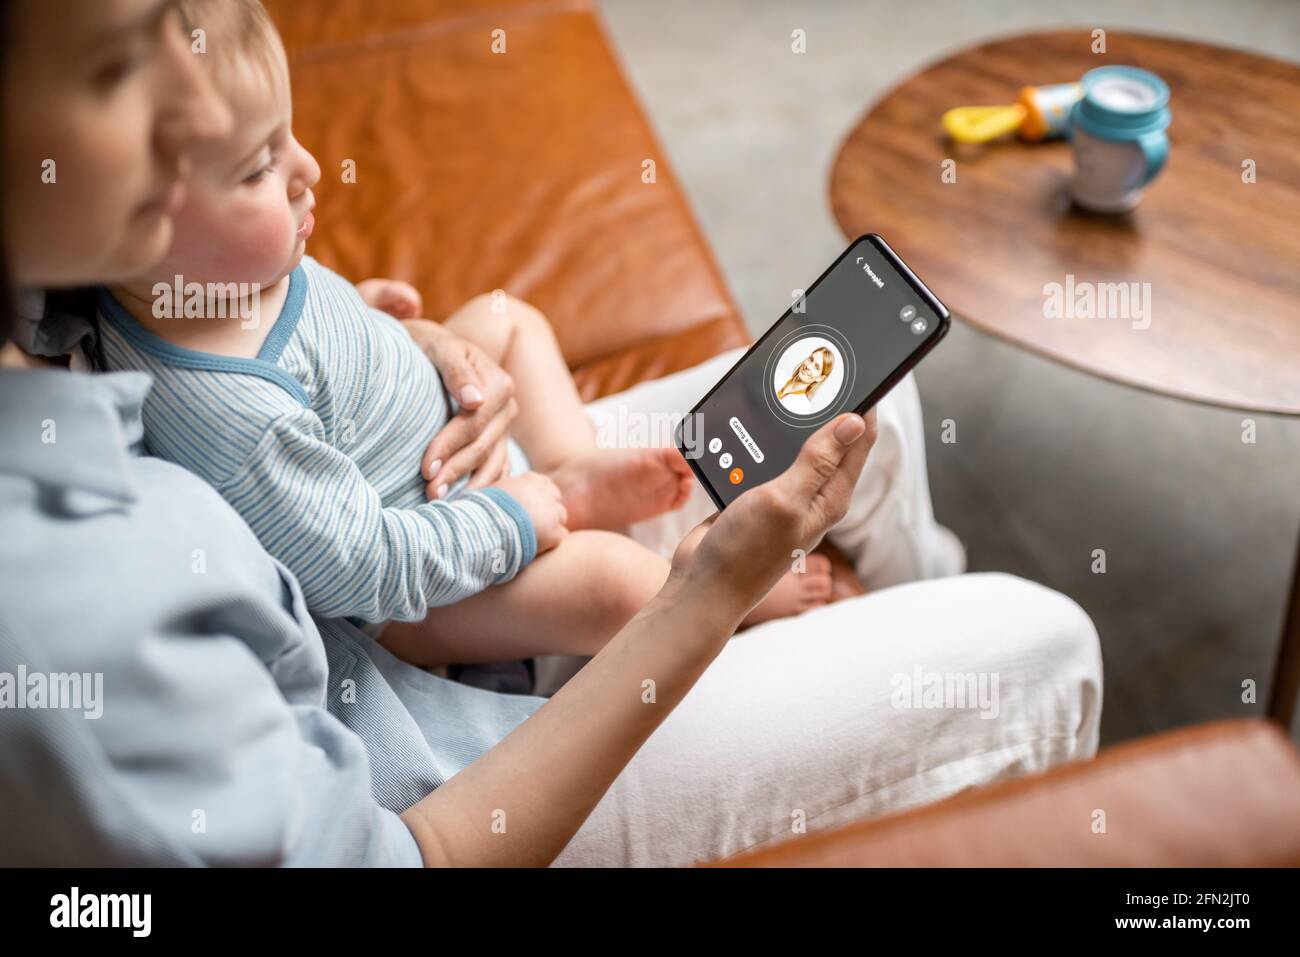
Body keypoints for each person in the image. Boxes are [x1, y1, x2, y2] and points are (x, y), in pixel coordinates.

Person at [0, 0, 1102, 867]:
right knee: (1044, 642)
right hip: (436, 722)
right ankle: (862, 663)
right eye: (113, 68)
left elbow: (286, 332)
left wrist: (422, 339)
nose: (185, 113)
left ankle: (897, 616)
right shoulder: (63, 613)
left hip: (434, 481)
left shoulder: (91, 282)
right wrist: (693, 586)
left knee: (874, 411)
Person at [91, 0, 832, 678]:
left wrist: (367, 316)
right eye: (260, 166)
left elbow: (309, 337)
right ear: (145, 225)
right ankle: (728, 596)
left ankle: (569, 469)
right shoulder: (230, 413)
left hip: (428, 437)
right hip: (429, 580)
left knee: (506, 317)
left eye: (287, 138)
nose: (308, 170)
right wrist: (508, 519)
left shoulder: (220, 270)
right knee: (616, 580)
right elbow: (363, 569)